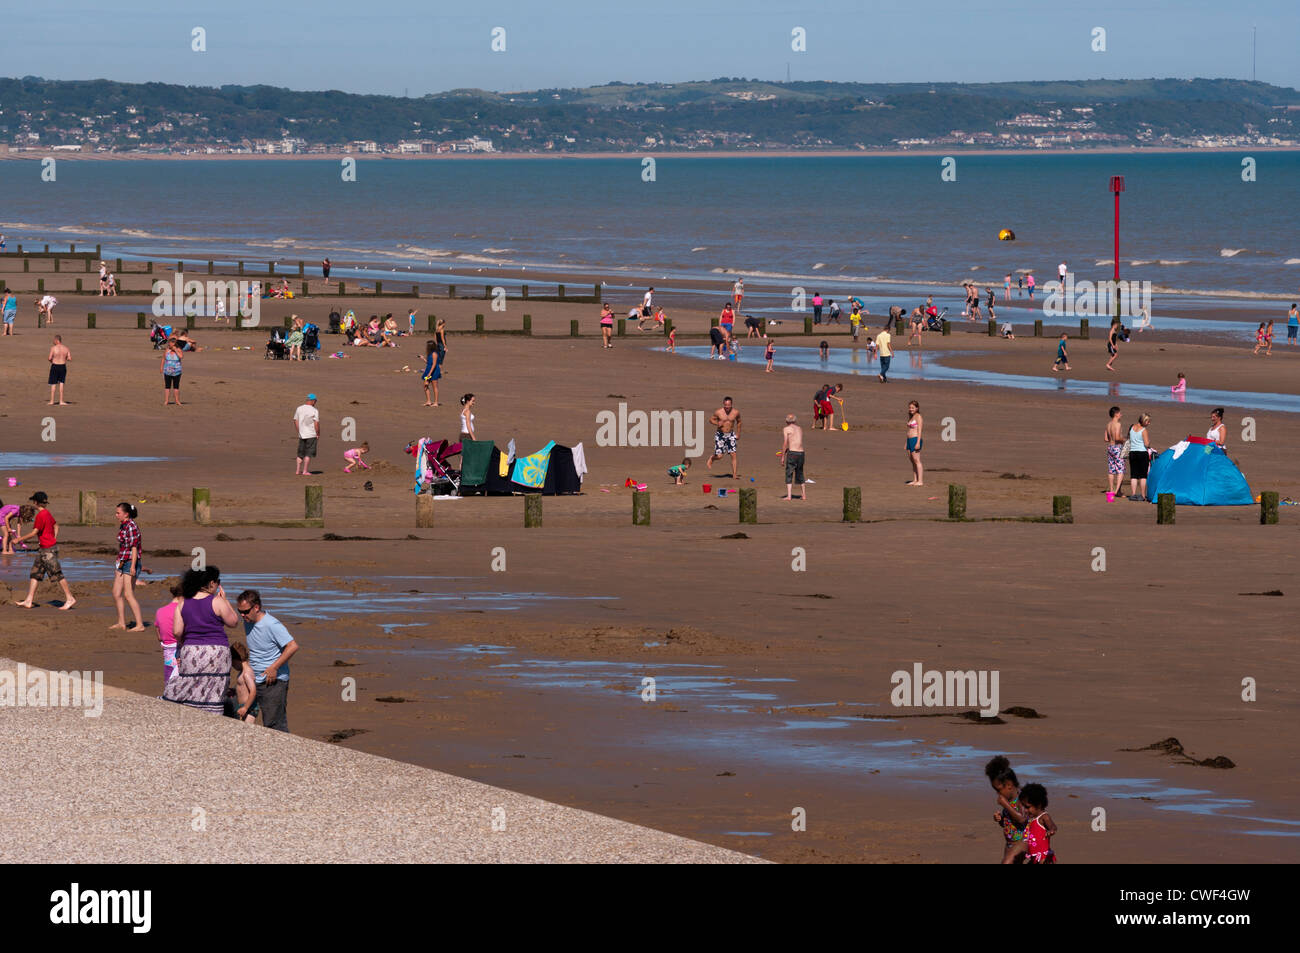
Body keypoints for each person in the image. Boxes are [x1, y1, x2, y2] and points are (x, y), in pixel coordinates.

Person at [162, 567, 239, 715]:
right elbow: (233, 622)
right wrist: (225, 600)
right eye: (218, 582)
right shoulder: (217, 601)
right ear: (211, 583)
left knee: (191, 684)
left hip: (191, 650)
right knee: (215, 688)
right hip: (217, 651)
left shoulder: (183, 603)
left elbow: (177, 631)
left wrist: (185, 642)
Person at [236, 590, 300, 733]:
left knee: (274, 726)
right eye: (239, 611)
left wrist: (274, 668)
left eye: (245, 611)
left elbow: (293, 646)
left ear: (256, 607)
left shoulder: (271, 624)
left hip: (273, 681)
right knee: (245, 716)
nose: (242, 615)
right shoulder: (247, 621)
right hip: (255, 679)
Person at [12, 491, 76, 610]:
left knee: (57, 574)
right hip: (44, 549)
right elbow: (56, 526)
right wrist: (53, 538)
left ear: (35, 502)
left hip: (48, 550)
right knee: (35, 574)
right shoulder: (47, 513)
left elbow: (34, 533)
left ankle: (70, 598)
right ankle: (28, 600)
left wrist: (19, 539)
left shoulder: (41, 516)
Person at [985, 755, 1027, 865]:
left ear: (1009, 785)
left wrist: (1006, 805)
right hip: (1010, 843)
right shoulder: (1009, 800)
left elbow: (1022, 819)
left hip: (1022, 842)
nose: (998, 794)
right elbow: (1009, 823)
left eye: (999, 790)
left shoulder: (1021, 799)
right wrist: (1000, 820)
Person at [110, 502, 144, 631]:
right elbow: (123, 546)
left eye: (118, 513)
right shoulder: (123, 526)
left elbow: (134, 547)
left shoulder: (131, 526)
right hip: (122, 562)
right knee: (116, 593)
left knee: (128, 595)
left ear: (126, 514)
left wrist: (133, 566)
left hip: (131, 562)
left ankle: (140, 624)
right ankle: (121, 623)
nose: (116, 515)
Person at [1018, 784, 1057, 864]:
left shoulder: (1043, 817)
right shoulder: (1031, 819)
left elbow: (1052, 826)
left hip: (1043, 858)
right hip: (1034, 857)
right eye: (1024, 807)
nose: (1025, 810)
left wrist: (1051, 830)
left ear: (1038, 805)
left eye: (1027, 807)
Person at [154, 582, 184, 686]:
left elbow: (159, 637)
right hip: (181, 650)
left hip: (167, 650)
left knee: (169, 681)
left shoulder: (160, 611)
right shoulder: (183, 610)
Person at [706, 396, 741, 479]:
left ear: (731, 404)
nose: (727, 407)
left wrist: (738, 433)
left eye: (728, 405)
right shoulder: (719, 412)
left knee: (733, 454)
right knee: (720, 456)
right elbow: (711, 420)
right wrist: (717, 423)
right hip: (720, 435)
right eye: (725, 405)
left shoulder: (736, 412)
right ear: (723, 404)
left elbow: (739, 422)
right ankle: (712, 458)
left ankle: (734, 474)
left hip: (731, 435)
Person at [228, 642, 259, 723]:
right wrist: (233, 691)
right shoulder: (242, 672)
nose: (233, 666)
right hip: (244, 706)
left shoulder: (246, 673)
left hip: (249, 708)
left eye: (233, 664)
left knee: (246, 730)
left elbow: (253, 691)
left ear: (236, 660)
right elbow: (243, 688)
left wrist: (245, 707)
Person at [1127, 413, 1154, 501]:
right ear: (1144, 421)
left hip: (1132, 453)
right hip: (1142, 453)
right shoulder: (1143, 430)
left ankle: (1133, 494)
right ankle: (1142, 495)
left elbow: (1129, 438)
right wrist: (1149, 442)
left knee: (1134, 475)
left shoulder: (1131, 427)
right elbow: (1146, 444)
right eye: (1148, 422)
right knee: (1143, 476)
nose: (1149, 423)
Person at [780, 414, 805, 501]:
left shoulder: (786, 429)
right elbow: (797, 441)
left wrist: (783, 456)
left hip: (793, 453)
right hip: (801, 453)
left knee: (789, 473)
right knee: (800, 473)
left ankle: (789, 496)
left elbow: (785, 443)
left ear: (786, 421)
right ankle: (804, 495)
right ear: (795, 421)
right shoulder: (799, 428)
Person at [293, 394, 320, 476]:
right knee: (309, 453)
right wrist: (318, 433)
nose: (315, 403)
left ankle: (297, 470)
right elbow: (316, 424)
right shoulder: (314, 410)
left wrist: (299, 430)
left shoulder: (299, 408)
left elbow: (295, 420)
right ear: (313, 401)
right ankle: (305, 471)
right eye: (315, 401)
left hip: (302, 434)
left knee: (300, 453)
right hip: (311, 434)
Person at [1105, 406, 1125, 500]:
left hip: (1110, 447)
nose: (1121, 414)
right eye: (1120, 413)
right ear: (1116, 414)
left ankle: (1112, 489)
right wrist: (1124, 439)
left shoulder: (1108, 424)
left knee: (1111, 469)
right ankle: (1116, 491)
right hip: (1117, 448)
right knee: (1121, 469)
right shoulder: (1118, 424)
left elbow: (1106, 438)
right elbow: (1117, 438)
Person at [48, 334, 70, 405]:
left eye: (54, 340)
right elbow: (69, 358)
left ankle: (52, 401)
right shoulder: (66, 348)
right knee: (61, 383)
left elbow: (49, 358)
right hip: (62, 366)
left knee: (53, 383)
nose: (53, 341)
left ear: (57, 340)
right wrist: (64, 358)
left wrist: (52, 361)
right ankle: (61, 401)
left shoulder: (53, 348)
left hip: (55, 366)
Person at [906, 401, 924, 486]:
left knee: (917, 460)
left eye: (913, 408)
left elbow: (920, 430)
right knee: (912, 461)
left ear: (917, 408)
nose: (911, 409)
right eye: (910, 407)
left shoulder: (918, 417)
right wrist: (906, 442)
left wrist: (918, 443)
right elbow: (909, 430)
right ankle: (915, 480)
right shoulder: (911, 417)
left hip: (915, 439)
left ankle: (920, 481)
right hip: (909, 440)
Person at [161, 338, 183, 405]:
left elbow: (181, 356)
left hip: (177, 371)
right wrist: (161, 367)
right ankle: (166, 400)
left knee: (176, 386)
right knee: (167, 386)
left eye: (170, 343)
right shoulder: (167, 350)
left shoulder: (178, 350)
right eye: (169, 343)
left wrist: (175, 350)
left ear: (174, 344)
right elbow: (163, 359)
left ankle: (177, 400)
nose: (169, 344)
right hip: (167, 371)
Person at [422, 339, 442, 406]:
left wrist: (429, 374)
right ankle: (428, 401)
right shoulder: (430, 353)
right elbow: (429, 363)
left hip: (434, 371)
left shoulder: (434, 354)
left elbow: (434, 364)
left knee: (434, 386)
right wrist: (423, 358)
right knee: (425, 385)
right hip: (428, 370)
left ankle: (436, 402)